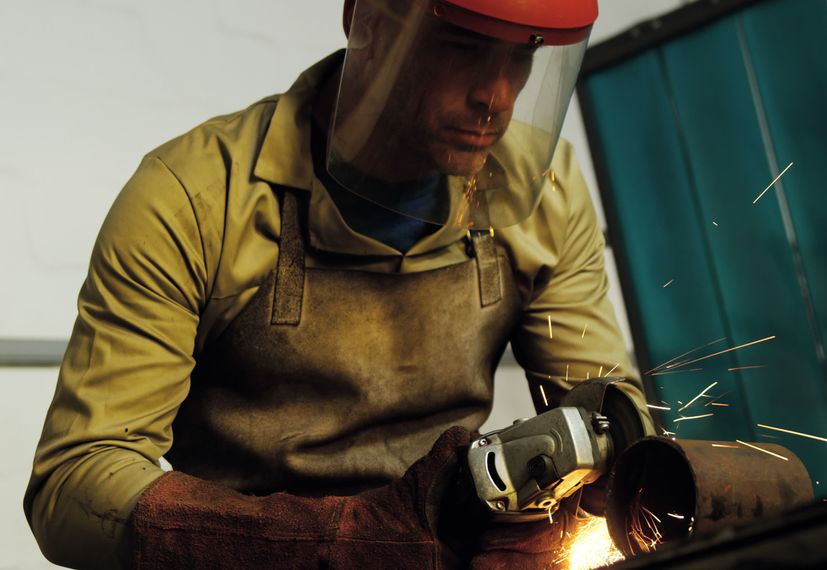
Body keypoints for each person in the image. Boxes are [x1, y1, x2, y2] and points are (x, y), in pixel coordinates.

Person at [25, 1, 651, 568]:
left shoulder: (542, 190)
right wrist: (335, 542)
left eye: (523, 56)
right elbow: (74, 485)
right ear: (366, 21)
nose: (496, 95)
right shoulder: (194, 196)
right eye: (461, 47)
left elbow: (605, 413)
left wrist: (600, 481)